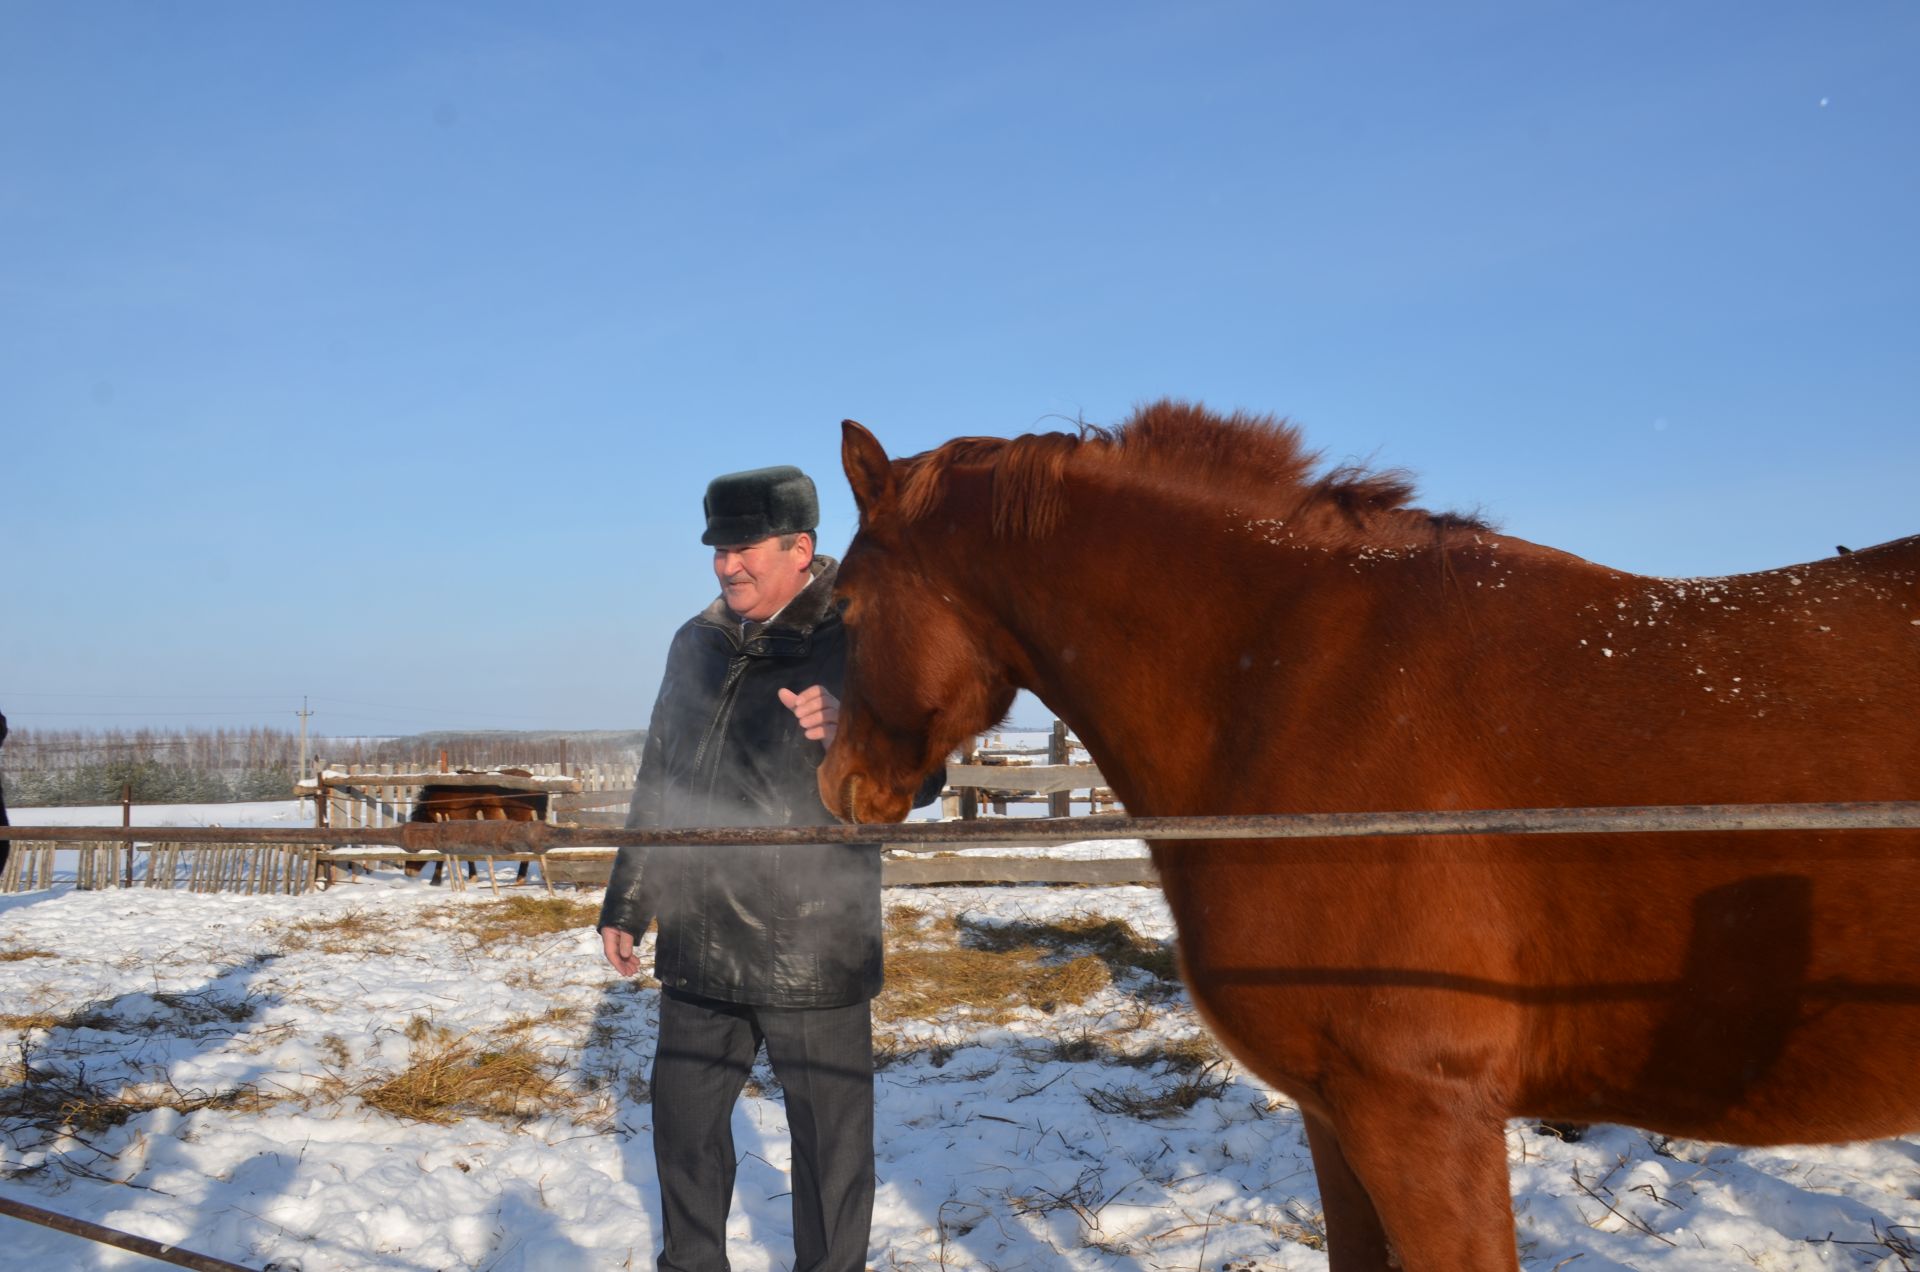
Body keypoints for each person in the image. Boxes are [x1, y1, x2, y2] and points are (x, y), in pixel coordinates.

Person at [598, 464, 940, 1272]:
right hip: (698, 936)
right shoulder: (697, 642)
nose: (727, 566)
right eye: (718, 549)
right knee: (682, 1135)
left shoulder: (862, 635)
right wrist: (629, 900)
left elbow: (923, 777)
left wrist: (851, 732)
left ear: (801, 548)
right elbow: (662, 778)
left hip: (811, 944)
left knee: (829, 1155)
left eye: (745, 547)